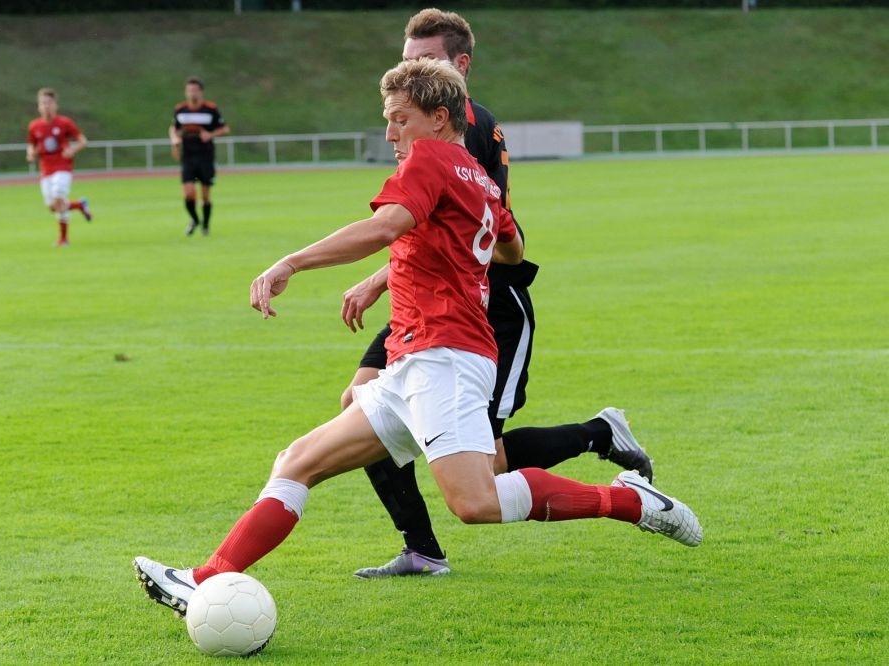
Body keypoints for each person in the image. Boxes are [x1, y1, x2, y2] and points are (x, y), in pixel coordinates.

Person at [134, 58, 702, 619]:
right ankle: (203, 579)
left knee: (475, 501)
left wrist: (292, 262)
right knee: (297, 461)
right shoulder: (480, 179)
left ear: (438, 118)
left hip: (444, 357)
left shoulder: (429, 158)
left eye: (399, 119)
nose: (390, 133)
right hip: (415, 358)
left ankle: (630, 501)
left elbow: (385, 226)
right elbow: (512, 249)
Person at [342, 8, 652, 579]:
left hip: (486, 304)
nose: (413, 70)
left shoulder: (463, 125)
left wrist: (373, 277)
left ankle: (597, 434)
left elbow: (465, 223)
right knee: (357, 404)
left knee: (484, 464)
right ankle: (422, 549)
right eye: (407, 59)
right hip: (430, 301)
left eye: (426, 60)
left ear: (460, 66)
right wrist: (384, 278)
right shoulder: (431, 124)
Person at [26, 87, 92, 247]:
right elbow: (32, 145)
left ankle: (64, 239)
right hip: (46, 169)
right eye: (43, 103)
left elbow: (83, 141)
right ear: (38, 107)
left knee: (58, 200)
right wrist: (31, 154)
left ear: (56, 105)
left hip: (63, 168)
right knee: (53, 207)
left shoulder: (64, 123)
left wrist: (72, 150)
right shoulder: (34, 126)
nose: (46, 106)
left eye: (49, 102)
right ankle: (80, 205)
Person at [169, 76, 231, 236]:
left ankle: (206, 225)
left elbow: (225, 129)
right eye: (189, 90)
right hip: (188, 156)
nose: (192, 93)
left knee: (205, 195)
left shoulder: (210, 109)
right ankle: (195, 219)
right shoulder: (180, 109)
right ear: (185, 92)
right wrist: (174, 140)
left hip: (205, 156)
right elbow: (174, 128)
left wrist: (210, 134)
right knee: (188, 193)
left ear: (201, 91)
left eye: (195, 90)